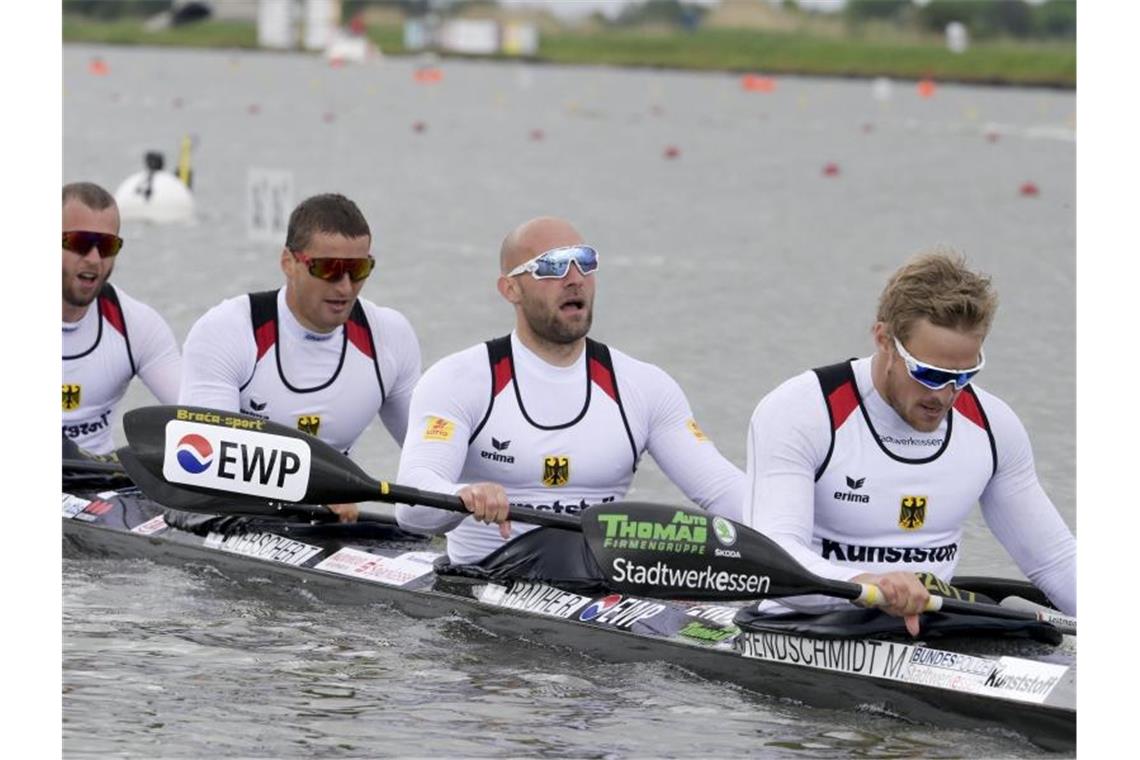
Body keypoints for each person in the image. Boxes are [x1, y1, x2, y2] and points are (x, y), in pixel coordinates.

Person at [743, 250, 1076, 635]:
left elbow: (1055, 561)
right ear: (884, 338)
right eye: (929, 374)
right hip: (806, 623)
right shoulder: (801, 411)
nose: (946, 395)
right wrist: (870, 584)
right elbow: (774, 562)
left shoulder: (993, 425)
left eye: (965, 375)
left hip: (932, 626)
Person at [395, 216, 746, 564]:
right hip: (487, 579)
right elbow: (412, 504)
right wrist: (464, 495)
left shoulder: (643, 385)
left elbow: (723, 489)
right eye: (553, 266)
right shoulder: (459, 380)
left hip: (600, 581)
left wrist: (792, 528)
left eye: (585, 262)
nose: (575, 279)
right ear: (510, 289)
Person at [179, 193, 421, 521]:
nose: (346, 287)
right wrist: (311, 488)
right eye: (329, 269)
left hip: (328, 516)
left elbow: (428, 456)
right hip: (228, 512)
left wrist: (483, 491)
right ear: (288, 263)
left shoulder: (389, 336)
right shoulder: (228, 330)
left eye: (359, 269)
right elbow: (201, 460)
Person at [63, 182, 181, 454]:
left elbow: (197, 413)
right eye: (80, 243)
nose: (94, 258)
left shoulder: (136, 325)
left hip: (94, 483)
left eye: (106, 246)